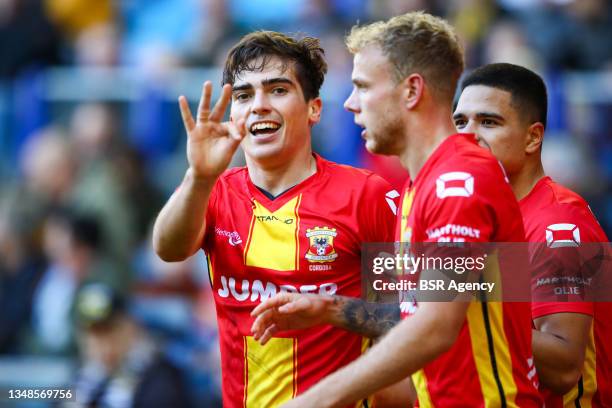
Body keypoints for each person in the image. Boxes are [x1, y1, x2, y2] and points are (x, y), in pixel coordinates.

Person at [251, 12, 542, 407]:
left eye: (362, 87)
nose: (351, 104)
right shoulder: (415, 188)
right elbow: (420, 314)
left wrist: (316, 400)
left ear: (411, 91)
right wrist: (330, 307)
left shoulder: (459, 181)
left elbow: (436, 326)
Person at [152, 31, 397, 407]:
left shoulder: (367, 195)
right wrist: (198, 176)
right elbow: (168, 250)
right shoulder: (213, 192)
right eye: (244, 95)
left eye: (277, 90)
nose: (258, 105)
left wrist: (332, 311)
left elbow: (420, 315)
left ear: (314, 108)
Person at [453, 62, 611, 407]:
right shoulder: (478, 218)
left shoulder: (559, 224)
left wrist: (456, 311)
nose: (468, 135)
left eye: (489, 122)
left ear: (533, 137)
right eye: (460, 122)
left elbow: (564, 367)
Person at [68, 283, 191, 408]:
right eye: (93, 334)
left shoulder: (161, 377)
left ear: (130, 328)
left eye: (109, 331)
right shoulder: (81, 378)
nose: (102, 343)